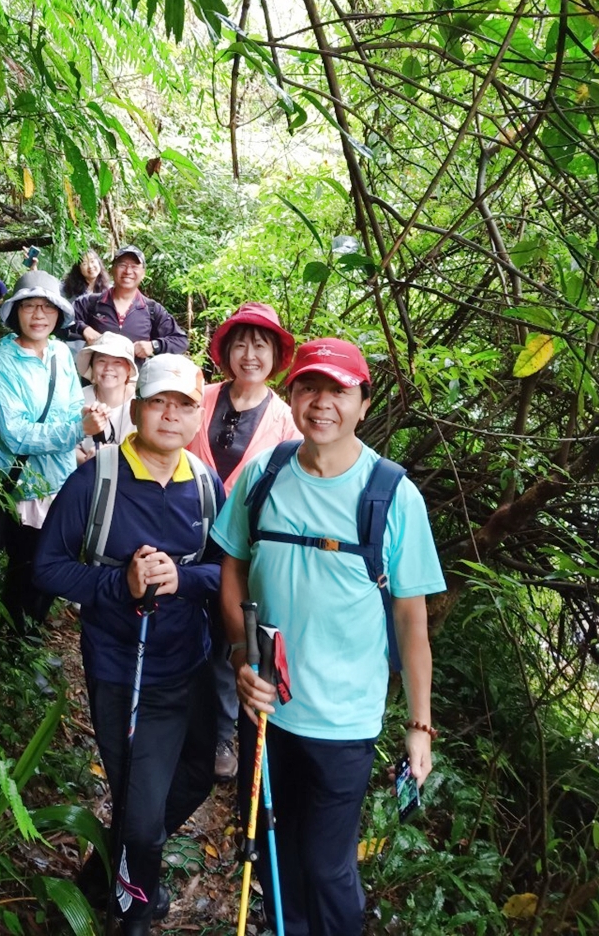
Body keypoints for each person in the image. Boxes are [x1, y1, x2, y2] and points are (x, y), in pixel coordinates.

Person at [213, 338, 446, 936]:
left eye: (338, 391)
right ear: (291, 396)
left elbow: (411, 621)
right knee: (270, 849)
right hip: (266, 712)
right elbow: (233, 567)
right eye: (308, 388)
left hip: (344, 722)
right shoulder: (265, 474)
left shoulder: (391, 495)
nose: (321, 403)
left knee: (326, 865)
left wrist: (419, 726)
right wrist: (241, 654)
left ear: (363, 404)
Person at [34, 355, 226, 936]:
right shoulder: (99, 480)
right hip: (124, 668)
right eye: (158, 402)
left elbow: (227, 572)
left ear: (198, 416)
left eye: (183, 405)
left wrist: (181, 579)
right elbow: (48, 567)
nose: (170, 415)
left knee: (196, 775)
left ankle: (107, 873)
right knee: (141, 822)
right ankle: (133, 913)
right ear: (137, 408)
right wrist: (122, 584)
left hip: (188, 664)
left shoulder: (205, 486)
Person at [186, 302, 299, 781]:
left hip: (242, 550)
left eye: (260, 346)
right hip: (184, 535)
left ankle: (221, 734)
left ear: (275, 356)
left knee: (228, 638)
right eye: (241, 344)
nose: (249, 354)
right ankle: (172, 718)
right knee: (178, 626)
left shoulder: (287, 422)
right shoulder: (199, 396)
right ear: (226, 351)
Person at [0, 270, 109, 633]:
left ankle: (32, 630)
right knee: (26, 568)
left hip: (63, 481)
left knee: (56, 564)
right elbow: (15, 435)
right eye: (30, 306)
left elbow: (70, 406)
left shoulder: (59, 353)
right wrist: (77, 430)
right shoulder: (3, 364)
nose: (39, 315)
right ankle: (14, 642)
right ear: (16, 313)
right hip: (27, 487)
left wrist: (86, 416)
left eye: (47, 307)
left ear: (58, 313)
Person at [72, 245, 188, 365]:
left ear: (143, 273)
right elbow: (63, 323)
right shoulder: (90, 303)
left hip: (135, 377)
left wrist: (153, 346)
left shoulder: (152, 309)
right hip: (96, 375)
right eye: (122, 265)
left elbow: (180, 341)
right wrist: (84, 329)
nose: (128, 271)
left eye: (134, 266)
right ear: (112, 269)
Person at [75, 331, 138, 463]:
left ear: (129, 369)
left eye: (117, 362)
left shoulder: (140, 402)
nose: (109, 368)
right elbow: (67, 444)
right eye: (101, 361)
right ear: (92, 365)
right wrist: (88, 461)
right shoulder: (77, 398)